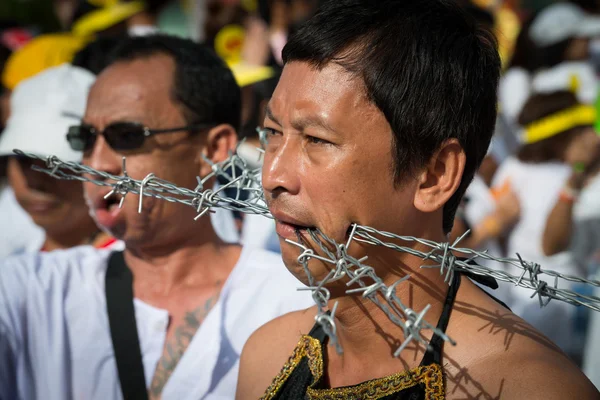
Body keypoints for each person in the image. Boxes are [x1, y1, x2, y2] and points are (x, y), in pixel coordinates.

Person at [235, 1, 600, 399]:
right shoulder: (266, 355)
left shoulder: (523, 388)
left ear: (434, 176)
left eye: (317, 141)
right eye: (272, 133)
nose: (272, 177)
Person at [0, 34, 312, 400]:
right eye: (85, 138)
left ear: (213, 148)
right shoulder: (33, 291)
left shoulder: (294, 302)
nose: (97, 164)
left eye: (127, 136)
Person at [0, 64, 116, 256]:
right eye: (23, 160)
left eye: (58, 164)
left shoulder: (137, 271)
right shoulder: (15, 259)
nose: (36, 181)